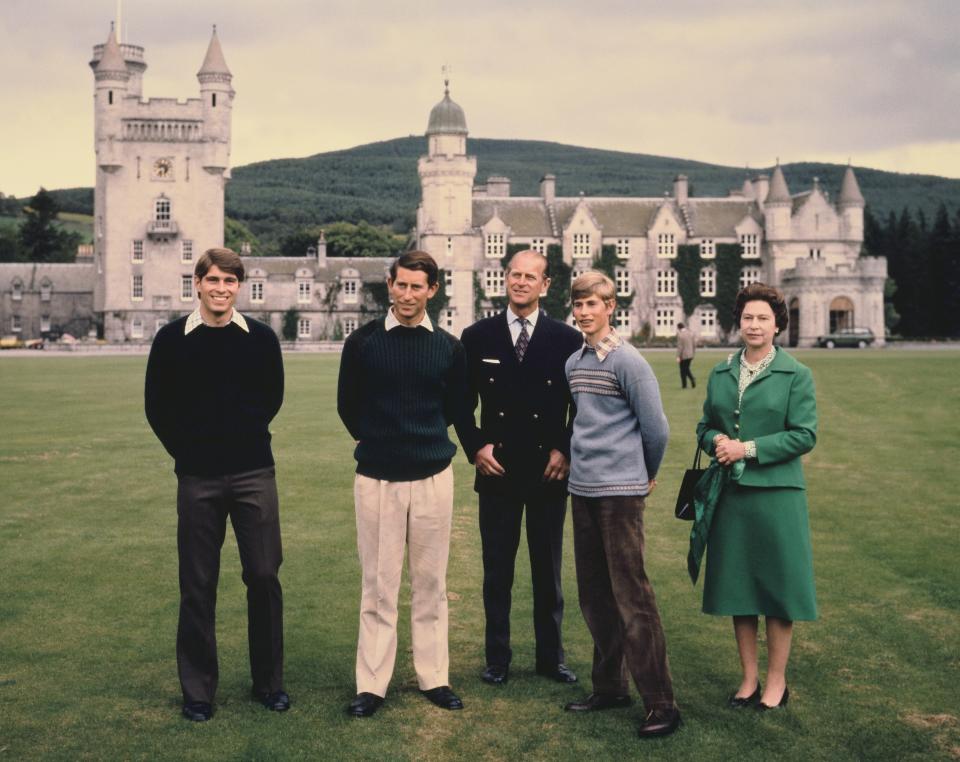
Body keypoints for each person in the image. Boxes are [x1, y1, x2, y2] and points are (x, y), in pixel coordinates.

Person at [144, 247, 288, 722]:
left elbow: (272, 398)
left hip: (253, 472)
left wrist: (238, 439)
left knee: (264, 576)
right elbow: (157, 408)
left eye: (230, 281)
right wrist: (189, 453)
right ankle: (199, 692)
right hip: (198, 477)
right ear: (198, 284)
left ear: (238, 286)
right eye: (213, 281)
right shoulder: (171, 340)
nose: (221, 289)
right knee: (198, 584)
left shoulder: (261, 339)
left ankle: (268, 684)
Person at [336, 250, 470, 718]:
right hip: (376, 478)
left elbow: (456, 408)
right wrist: (381, 442)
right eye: (401, 284)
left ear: (432, 290)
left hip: (433, 475)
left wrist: (420, 441)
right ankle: (372, 684)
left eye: (418, 286)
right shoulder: (364, 343)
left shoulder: (449, 348)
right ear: (388, 285)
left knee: (431, 583)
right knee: (378, 584)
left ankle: (434, 677)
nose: (408, 294)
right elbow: (347, 406)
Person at [562, 271, 681, 739]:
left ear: (611, 306)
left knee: (633, 596)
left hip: (620, 494)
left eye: (594, 303)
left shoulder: (629, 362)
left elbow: (657, 429)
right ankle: (610, 687)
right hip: (583, 489)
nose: (585, 311)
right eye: (579, 304)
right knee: (595, 596)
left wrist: (644, 474)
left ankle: (662, 704)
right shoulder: (575, 362)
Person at [459, 249, 583, 686]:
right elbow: (459, 404)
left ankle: (551, 659)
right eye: (515, 275)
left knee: (548, 572)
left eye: (531, 277)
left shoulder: (567, 340)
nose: (522, 282)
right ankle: (497, 659)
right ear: (504, 278)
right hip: (497, 471)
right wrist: (475, 447)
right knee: (497, 572)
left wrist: (565, 449)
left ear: (546, 285)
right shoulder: (477, 336)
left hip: (549, 472)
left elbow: (581, 406)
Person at [696, 282, 817, 711]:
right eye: (748, 317)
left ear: (777, 324)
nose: (754, 324)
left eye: (763, 317)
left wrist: (747, 448)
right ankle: (748, 680)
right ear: (739, 321)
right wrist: (717, 441)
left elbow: (805, 435)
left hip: (778, 497)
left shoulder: (796, 374)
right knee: (739, 589)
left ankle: (776, 683)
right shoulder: (721, 371)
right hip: (731, 496)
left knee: (778, 591)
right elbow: (704, 427)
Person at [676, 322, 696, 389]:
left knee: (683, 370)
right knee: (686, 369)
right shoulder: (690, 333)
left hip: (683, 355)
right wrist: (693, 353)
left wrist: (678, 356)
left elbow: (680, 346)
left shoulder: (680, 335)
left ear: (679, 328)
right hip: (690, 354)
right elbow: (694, 345)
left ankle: (686, 384)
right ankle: (690, 380)